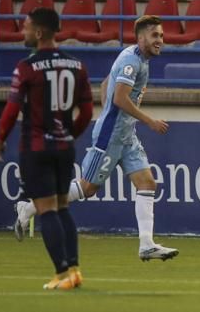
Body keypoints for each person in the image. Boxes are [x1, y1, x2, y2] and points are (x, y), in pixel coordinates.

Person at [14, 15, 179, 262]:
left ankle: (147, 245)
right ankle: (29, 207)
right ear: (141, 37)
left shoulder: (140, 60)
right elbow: (120, 99)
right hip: (110, 136)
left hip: (126, 135)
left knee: (147, 183)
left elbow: (105, 84)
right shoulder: (131, 61)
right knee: (87, 188)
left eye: (162, 36)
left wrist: (112, 114)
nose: (160, 41)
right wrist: (148, 121)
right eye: (155, 36)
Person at [0, 7, 93, 289]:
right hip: (64, 147)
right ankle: (74, 271)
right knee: (62, 207)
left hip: (35, 147)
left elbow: (12, 110)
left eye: (25, 27)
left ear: (39, 32)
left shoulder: (26, 67)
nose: (22, 31)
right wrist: (68, 134)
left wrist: (0, 140)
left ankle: (61, 274)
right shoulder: (77, 65)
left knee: (46, 209)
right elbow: (86, 111)